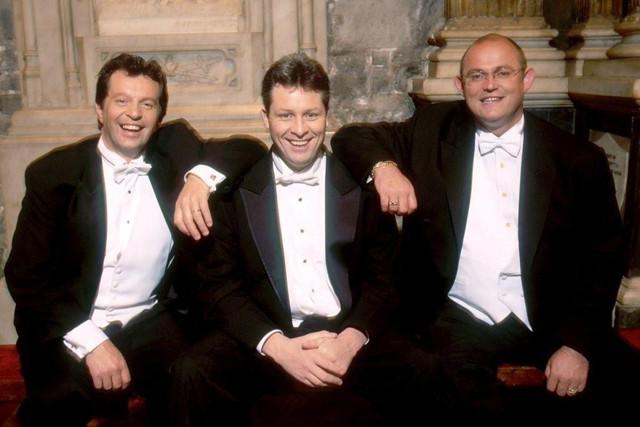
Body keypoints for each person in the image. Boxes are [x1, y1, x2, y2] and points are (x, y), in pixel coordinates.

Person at [331, 33, 630, 422]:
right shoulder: (433, 128)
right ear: (461, 85)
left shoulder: (577, 158)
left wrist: (576, 344)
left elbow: (603, 257)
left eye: (502, 73)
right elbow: (351, 137)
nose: (490, 85)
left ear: (527, 79)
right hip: (459, 314)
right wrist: (385, 170)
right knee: (450, 396)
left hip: (548, 314)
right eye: (477, 76)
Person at [170, 53, 436, 427]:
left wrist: (349, 342)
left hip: (345, 332)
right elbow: (220, 288)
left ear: (327, 115)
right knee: (194, 372)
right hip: (268, 335)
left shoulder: (363, 185)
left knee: (422, 369)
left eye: (311, 115)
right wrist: (277, 346)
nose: (299, 129)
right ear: (265, 117)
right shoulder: (234, 189)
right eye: (285, 115)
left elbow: (385, 283)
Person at [5, 53, 264, 427]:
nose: (134, 114)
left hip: (149, 321)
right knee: (58, 400)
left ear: (159, 116)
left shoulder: (174, 152)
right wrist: (92, 343)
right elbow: (26, 278)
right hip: (70, 326)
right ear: (100, 109)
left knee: (199, 377)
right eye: (122, 100)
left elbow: (249, 149)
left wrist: (200, 179)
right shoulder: (54, 174)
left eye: (147, 104)